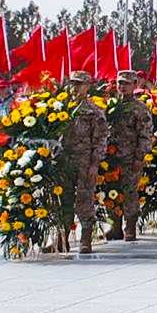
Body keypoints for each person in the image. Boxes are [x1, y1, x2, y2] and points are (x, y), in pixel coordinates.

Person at [60, 71, 111, 254]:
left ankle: (85, 238)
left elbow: (100, 140)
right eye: (73, 84)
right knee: (63, 200)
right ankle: (62, 238)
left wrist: (95, 164)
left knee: (84, 200)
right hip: (64, 162)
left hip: (85, 162)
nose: (75, 88)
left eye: (79, 84)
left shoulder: (94, 111)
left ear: (88, 86)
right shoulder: (60, 108)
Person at [109, 70, 155, 242]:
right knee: (111, 191)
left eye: (127, 83)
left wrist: (139, 157)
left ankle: (130, 226)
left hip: (130, 158)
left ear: (135, 84)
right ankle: (115, 225)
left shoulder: (140, 109)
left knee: (130, 192)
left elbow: (145, 135)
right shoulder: (111, 105)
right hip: (112, 158)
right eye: (120, 83)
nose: (123, 87)